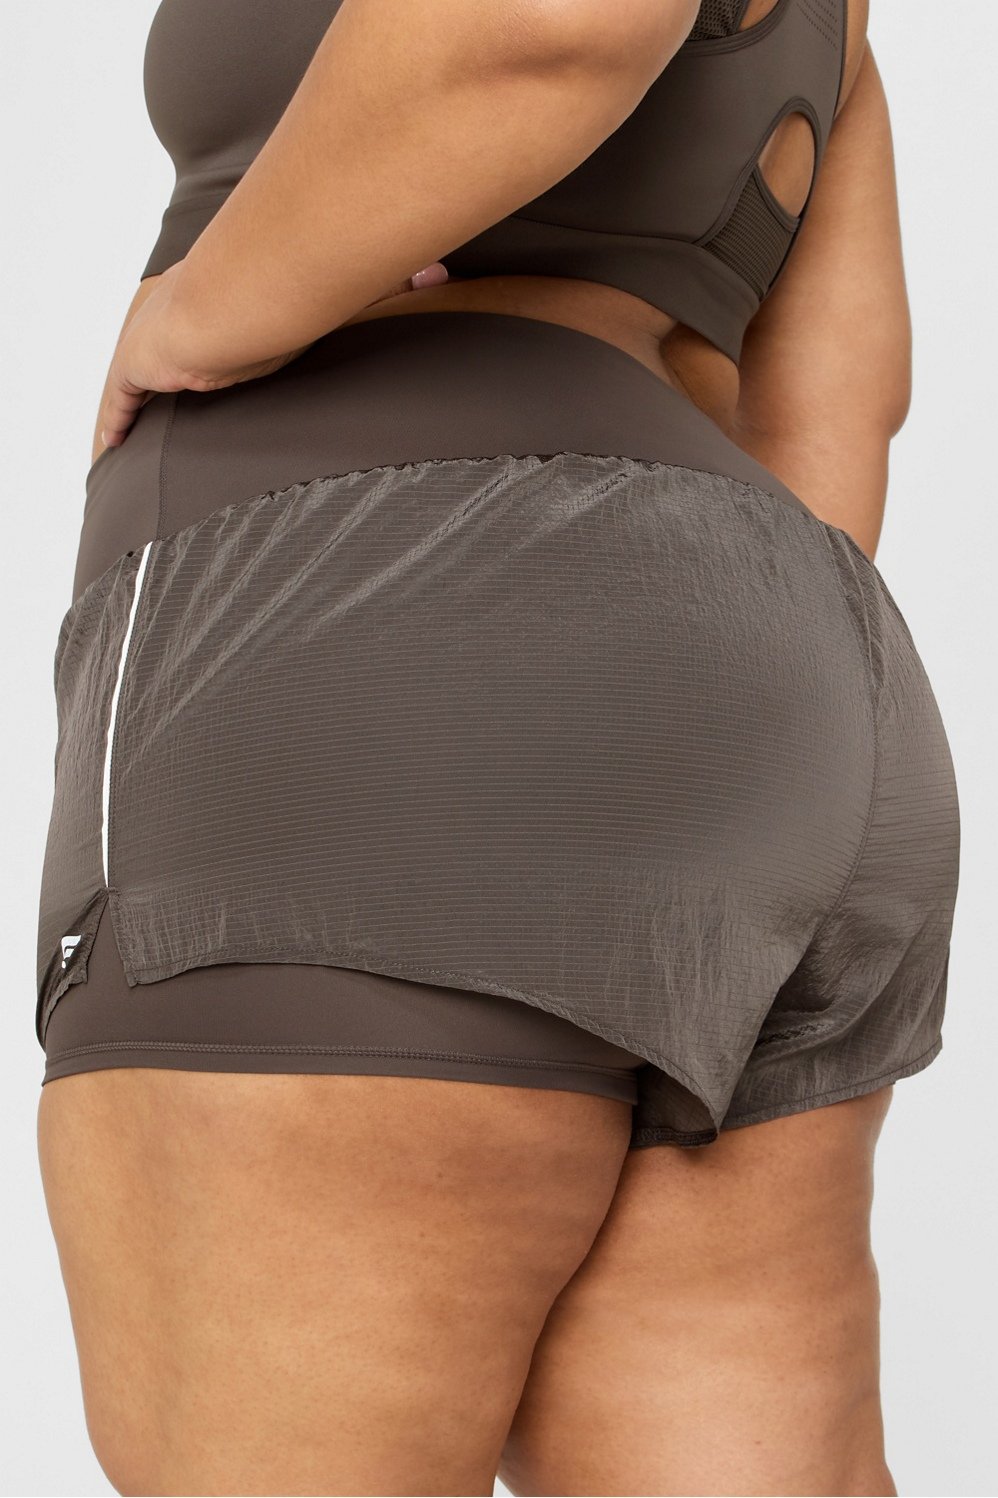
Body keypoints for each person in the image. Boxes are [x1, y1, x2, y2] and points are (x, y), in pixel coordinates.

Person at [34, 1, 960, 1493]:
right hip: (783, 686)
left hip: (370, 656)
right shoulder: (836, 22)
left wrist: (196, 311)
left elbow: (548, 16)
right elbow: (835, 416)